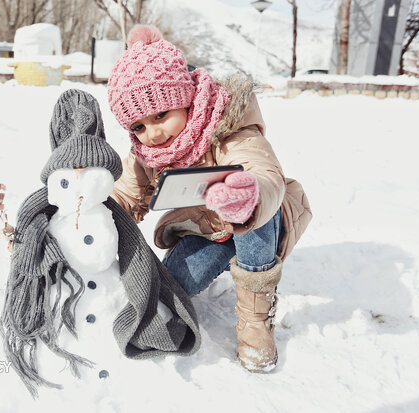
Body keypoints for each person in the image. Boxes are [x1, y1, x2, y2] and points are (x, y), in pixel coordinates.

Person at [107, 25, 312, 373]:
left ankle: (256, 322)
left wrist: (248, 196)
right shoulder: (148, 152)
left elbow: (265, 174)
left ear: (185, 99)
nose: (153, 134)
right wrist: (93, 212)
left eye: (160, 115)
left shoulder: (229, 126)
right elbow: (126, 194)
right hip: (209, 231)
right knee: (173, 286)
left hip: (259, 221)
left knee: (252, 222)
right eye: (138, 126)